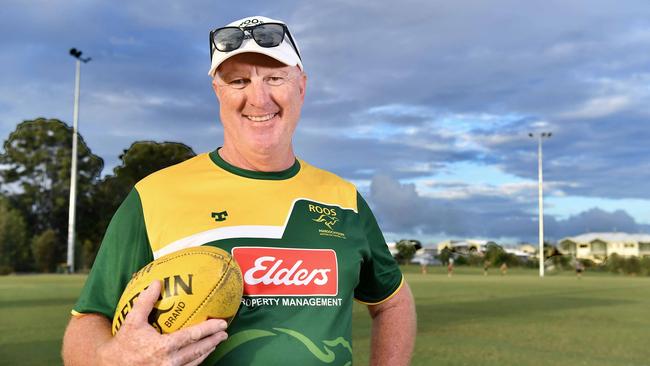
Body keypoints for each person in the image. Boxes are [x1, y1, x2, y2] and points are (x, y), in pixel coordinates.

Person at [62, 15, 416, 366]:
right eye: (239, 81)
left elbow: (393, 302)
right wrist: (113, 359)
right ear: (218, 91)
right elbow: (87, 322)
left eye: (275, 78)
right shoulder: (153, 196)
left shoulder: (344, 200)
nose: (258, 99)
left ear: (302, 87)